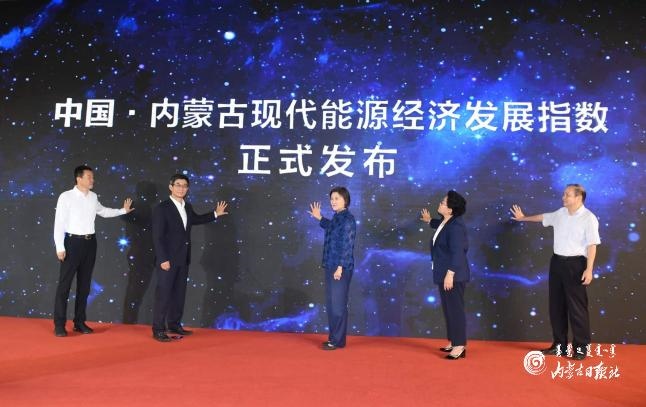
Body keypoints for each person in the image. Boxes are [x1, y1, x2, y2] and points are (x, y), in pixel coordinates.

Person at [511, 184, 600, 360]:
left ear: (579, 197)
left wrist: (589, 269)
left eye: (567, 195)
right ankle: (559, 346)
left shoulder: (588, 218)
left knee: (577, 308)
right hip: (557, 263)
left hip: (576, 265)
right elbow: (543, 217)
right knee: (556, 306)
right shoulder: (560, 213)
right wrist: (523, 218)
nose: (563, 197)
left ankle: (581, 347)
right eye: (564, 194)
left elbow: (592, 245)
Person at [53, 165, 133, 337]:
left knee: (84, 285)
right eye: (89, 177)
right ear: (79, 178)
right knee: (64, 285)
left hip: (90, 243)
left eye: (92, 177)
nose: (92, 180)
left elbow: (103, 211)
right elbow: (59, 223)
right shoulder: (66, 196)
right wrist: (60, 246)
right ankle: (59, 324)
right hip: (72, 243)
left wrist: (122, 211)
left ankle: (79, 322)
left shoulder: (93, 196)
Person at [151, 174, 228, 342]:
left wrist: (215, 214)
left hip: (183, 258)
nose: (181, 188)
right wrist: (163, 259)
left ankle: (174, 325)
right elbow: (158, 236)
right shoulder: (162, 208)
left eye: (184, 186)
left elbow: (196, 219)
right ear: (171, 187)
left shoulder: (187, 206)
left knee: (179, 294)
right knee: (164, 295)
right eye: (178, 185)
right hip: (167, 260)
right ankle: (158, 329)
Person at [420, 190, 470, 360]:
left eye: (443, 202)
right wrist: (429, 221)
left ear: (450, 209)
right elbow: (440, 227)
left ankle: (459, 345)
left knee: (455, 310)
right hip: (444, 273)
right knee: (449, 309)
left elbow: (458, 252)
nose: (440, 204)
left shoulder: (456, 227)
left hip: (453, 275)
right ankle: (453, 341)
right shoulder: (447, 222)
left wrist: (450, 274)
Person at [308, 186, 356, 350]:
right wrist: (320, 218)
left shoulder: (348, 219)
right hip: (330, 265)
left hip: (339, 267)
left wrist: (340, 267)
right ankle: (335, 339)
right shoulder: (338, 217)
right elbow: (331, 228)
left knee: (337, 305)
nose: (333, 201)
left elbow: (347, 245)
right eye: (332, 199)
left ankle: (336, 341)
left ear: (345, 200)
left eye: (337, 198)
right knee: (332, 304)